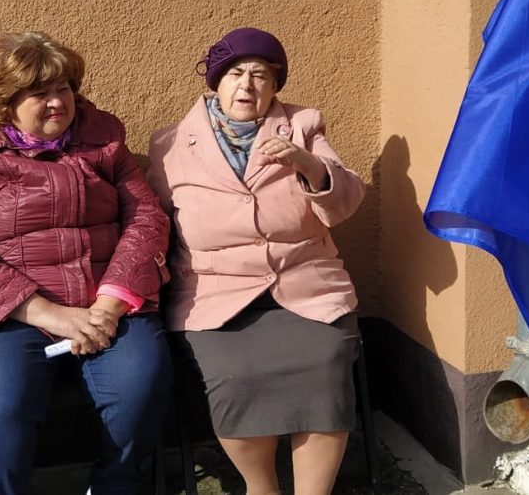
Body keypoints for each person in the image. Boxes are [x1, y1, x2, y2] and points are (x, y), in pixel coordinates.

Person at [0, 31, 173, 495]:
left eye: (63, 89)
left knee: (141, 381)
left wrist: (108, 307)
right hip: (8, 315)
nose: (58, 102)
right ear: (5, 102)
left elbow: (146, 221)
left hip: (104, 306)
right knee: (0, 404)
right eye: (40, 93)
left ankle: (113, 487)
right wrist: (50, 314)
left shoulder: (105, 142)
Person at [147, 27, 366, 495]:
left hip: (306, 287)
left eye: (260, 75)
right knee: (236, 377)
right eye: (235, 74)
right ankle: (260, 488)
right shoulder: (171, 144)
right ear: (216, 81)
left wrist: (309, 166)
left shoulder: (303, 125)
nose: (247, 85)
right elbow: (153, 222)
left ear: (274, 85)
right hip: (216, 296)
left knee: (325, 364)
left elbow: (348, 200)